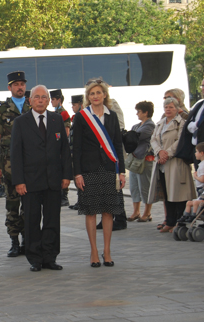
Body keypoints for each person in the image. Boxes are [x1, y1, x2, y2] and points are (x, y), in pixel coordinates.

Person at [11, 85, 71, 272]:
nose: (40, 100)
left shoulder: (56, 119)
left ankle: (50, 257)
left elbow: (64, 149)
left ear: (48, 100)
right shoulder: (21, 122)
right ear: (30, 100)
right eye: (36, 97)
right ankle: (35, 258)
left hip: (53, 179)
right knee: (32, 220)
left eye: (44, 97)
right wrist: (19, 181)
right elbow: (16, 153)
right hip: (30, 181)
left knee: (52, 220)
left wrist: (66, 175)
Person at [73, 79, 125, 267]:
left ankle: (107, 251)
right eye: (92, 93)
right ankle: (94, 251)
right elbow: (76, 147)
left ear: (104, 95)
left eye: (98, 93)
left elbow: (118, 145)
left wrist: (122, 171)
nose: (95, 96)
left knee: (108, 212)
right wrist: (77, 173)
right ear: (88, 97)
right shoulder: (81, 117)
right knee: (91, 211)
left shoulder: (112, 116)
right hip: (89, 170)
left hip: (110, 169)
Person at [0, 71, 31, 257]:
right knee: (12, 205)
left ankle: (27, 240)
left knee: (29, 205)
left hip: (30, 165)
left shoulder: (32, 106)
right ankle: (14, 241)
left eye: (22, 84)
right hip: (9, 166)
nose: (20, 87)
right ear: (9, 87)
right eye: (16, 84)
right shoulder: (2, 109)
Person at [148, 97, 196, 233]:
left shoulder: (181, 123)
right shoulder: (160, 123)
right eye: (166, 107)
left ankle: (180, 222)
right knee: (167, 194)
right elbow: (153, 139)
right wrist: (159, 152)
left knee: (179, 194)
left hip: (176, 162)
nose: (168, 110)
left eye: (171, 107)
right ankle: (169, 221)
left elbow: (180, 141)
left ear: (177, 109)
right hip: (161, 164)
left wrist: (167, 154)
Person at [126, 101, 155, 223]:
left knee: (145, 187)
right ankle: (136, 211)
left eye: (139, 111)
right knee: (134, 187)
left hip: (144, 159)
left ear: (146, 112)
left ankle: (147, 212)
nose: (137, 113)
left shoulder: (150, 125)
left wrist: (127, 136)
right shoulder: (136, 125)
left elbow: (134, 137)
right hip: (135, 159)